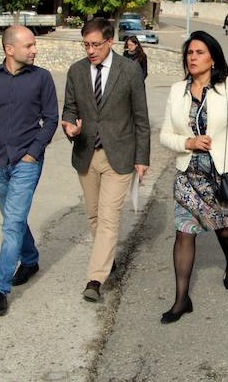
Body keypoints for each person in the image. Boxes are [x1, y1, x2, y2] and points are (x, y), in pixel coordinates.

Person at [159, 31, 228, 323]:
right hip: (188, 174)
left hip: (221, 175)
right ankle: (181, 299)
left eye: (199, 52)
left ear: (213, 57)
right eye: (189, 53)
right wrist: (187, 143)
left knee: (225, 231)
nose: (193, 57)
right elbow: (165, 134)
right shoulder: (177, 90)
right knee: (183, 233)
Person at [61, 17, 151, 303]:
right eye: (86, 44)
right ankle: (106, 257)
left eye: (95, 44)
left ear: (110, 41)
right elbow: (69, 110)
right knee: (94, 217)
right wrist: (69, 127)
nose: (90, 50)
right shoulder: (76, 72)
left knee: (109, 218)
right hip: (87, 153)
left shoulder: (130, 71)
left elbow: (141, 118)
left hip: (119, 156)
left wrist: (142, 157)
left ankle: (95, 280)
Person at [0, 25, 59, 316]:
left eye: (34, 45)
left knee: (11, 223)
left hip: (26, 162)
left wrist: (32, 155)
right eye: (29, 46)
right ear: (10, 49)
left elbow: (50, 120)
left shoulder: (42, 78)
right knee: (14, 217)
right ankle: (31, 259)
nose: (35, 50)